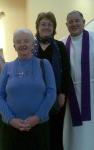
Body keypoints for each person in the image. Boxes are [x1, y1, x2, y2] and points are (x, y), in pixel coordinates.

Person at [61, 10, 94, 150]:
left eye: (77, 20)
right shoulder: (62, 43)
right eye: (70, 22)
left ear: (84, 22)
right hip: (70, 93)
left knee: (93, 128)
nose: (74, 24)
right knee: (73, 129)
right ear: (66, 24)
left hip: (92, 92)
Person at [0, 27, 56, 150]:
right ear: (14, 46)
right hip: (12, 128)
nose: (22, 44)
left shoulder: (44, 64)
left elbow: (51, 93)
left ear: (33, 44)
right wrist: (11, 119)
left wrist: (37, 117)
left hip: (39, 126)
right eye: (18, 42)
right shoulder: (7, 67)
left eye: (26, 41)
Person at [32, 12, 70, 150]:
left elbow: (66, 72)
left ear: (54, 28)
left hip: (56, 96)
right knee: (38, 130)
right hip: (35, 96)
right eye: (43, 24)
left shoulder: (59, 47)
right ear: (37, 27)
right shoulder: (31, 46)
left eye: (50, 24)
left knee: (55, 131)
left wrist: (62, 94)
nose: (46, 27)